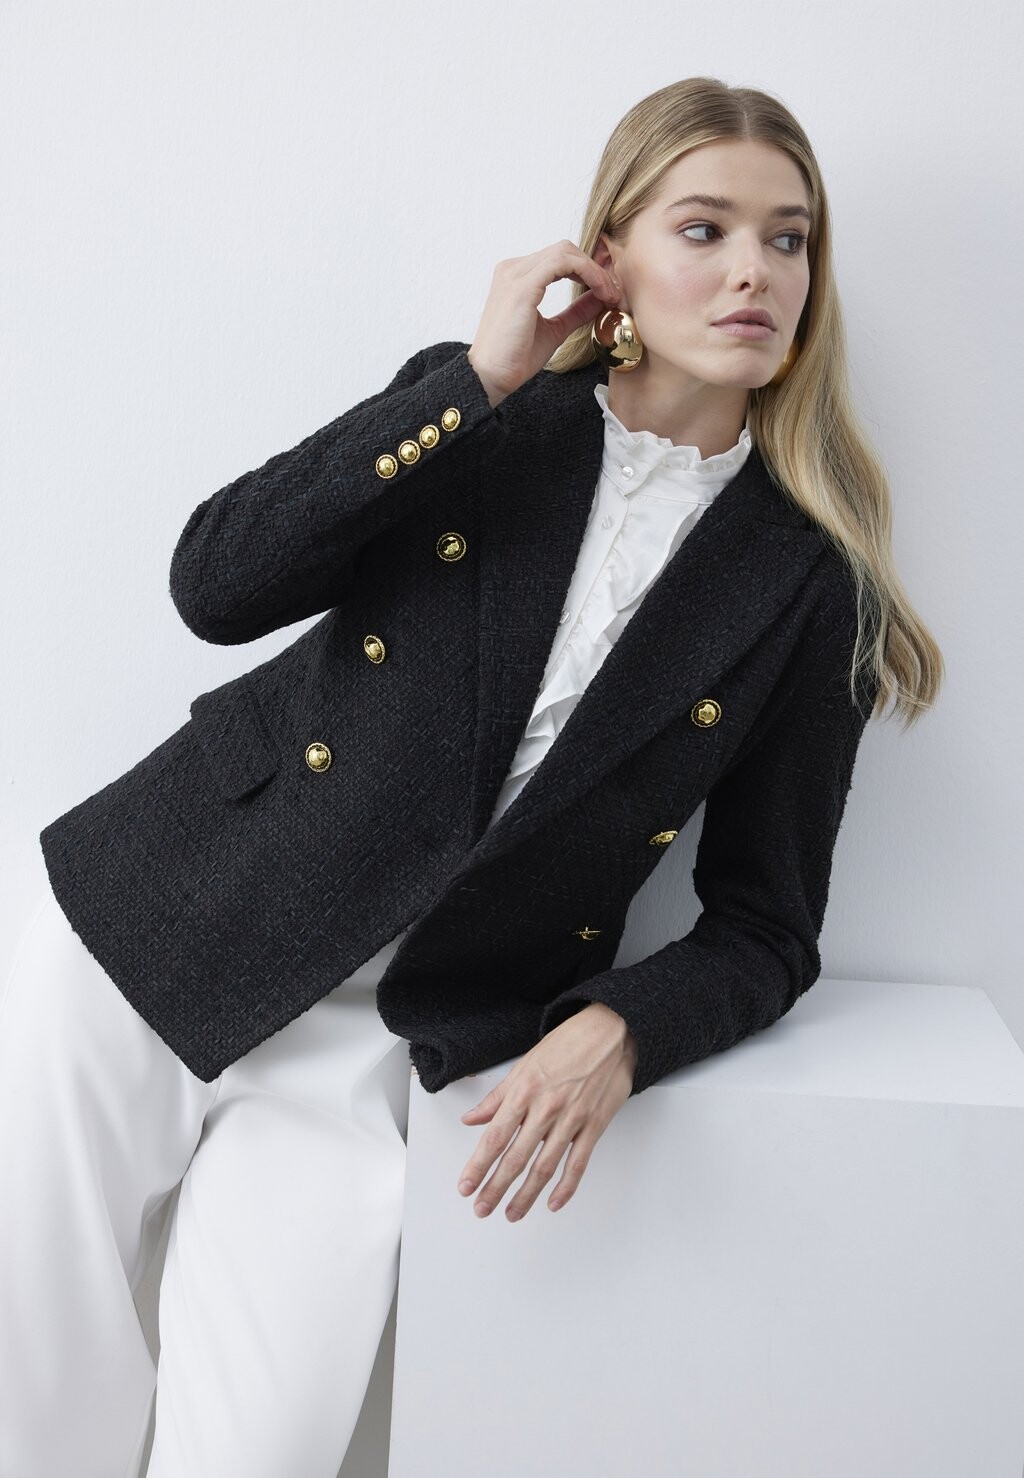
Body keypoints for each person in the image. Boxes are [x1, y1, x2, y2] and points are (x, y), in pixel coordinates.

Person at [0, 76, 943, 1477]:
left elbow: (767, 925)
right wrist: (477, 383)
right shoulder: (483, 410)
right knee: (28, 1406)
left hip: (385, 1047)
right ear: (610, 258)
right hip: (167, 917)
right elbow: (216, 583)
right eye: (706, 228)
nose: (756, 269)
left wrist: (623, 1025)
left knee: (257, 1451)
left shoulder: (806, 583)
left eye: (790, 238)